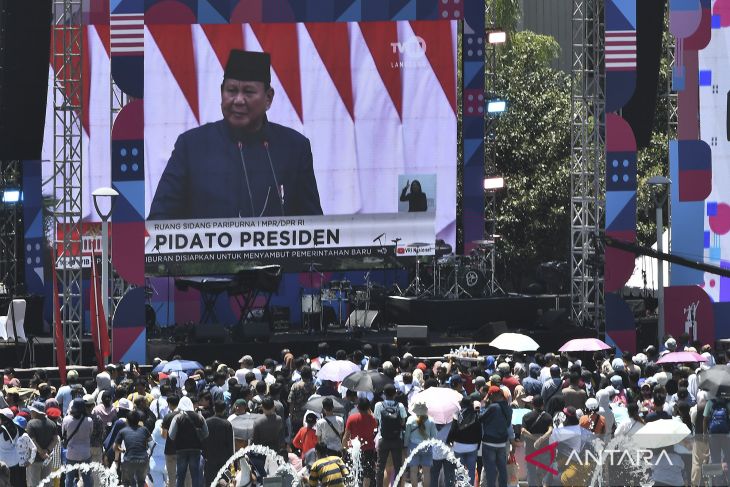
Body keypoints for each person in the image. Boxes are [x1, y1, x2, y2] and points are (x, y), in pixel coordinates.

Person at [149, 49, 322, 220]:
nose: (238, 100)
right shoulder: (191, 145)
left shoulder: (294, 148)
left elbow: (315, 228)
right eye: (231, 90)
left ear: (268, 98)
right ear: (221, 93)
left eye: (248, 92)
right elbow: (159, 220)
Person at [169, 397, 209, 487]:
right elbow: (206, 434)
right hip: (196, 449)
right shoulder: (199, 417)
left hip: (180, 449)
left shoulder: (177, 417)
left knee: (180, 476)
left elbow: (171, 435)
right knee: (195, 475)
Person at [373, 384, 407, 487]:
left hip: (383, 438)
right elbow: (403, 423)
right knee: (398, 466)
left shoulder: (379, 405)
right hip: (397, 439)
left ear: (384, 394)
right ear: (395, 393)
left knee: (380, 466)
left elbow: (376, 421)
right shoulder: (400, 406)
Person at [479, 386, 512, 487]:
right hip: (502, 443)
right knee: (502, 469)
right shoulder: (508, 408)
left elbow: (480, 418)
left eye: (489, 395)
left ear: (493, 395)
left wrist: (483, 405)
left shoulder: (493, 407)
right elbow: (507, 424)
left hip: (489, 443)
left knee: (490, 470)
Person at [342, 399, 377, 487]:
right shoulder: (372, 419)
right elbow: (375, 427)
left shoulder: (352, 418)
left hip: (354, 449)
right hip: (369, 449)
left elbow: (346, 436)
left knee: (353, 471)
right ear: (369, 407)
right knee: (367, 474)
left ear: (357, 407)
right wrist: (370, 412)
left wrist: (344, 449)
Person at [520, 396, 552, 487]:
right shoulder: (548, 417)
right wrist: (541, 439)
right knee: (544, 472)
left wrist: (533, 438)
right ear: (543, 404)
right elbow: (550, 431)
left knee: (531, 471)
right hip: (544, 448)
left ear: (532, 404)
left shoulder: (526, 417)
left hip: (530, 449)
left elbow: (523, 431)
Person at [62, 398, 94, 487]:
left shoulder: (66, 420)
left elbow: (63, 434)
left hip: (71, 453)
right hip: (85, 454)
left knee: (69, 478)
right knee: (87, 478)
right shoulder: (89, 420)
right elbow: (90, 434)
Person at [114, 410, 151, 487]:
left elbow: (115, 447)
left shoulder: (122, 431)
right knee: (141, 482)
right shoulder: (144, 429)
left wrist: (123, 451)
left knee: (127, 482)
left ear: (127, 420)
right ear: (138, 420)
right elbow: (151, 442)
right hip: (143, 460)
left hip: (129, 460)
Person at [25, 402, 58, 486]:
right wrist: (46, 451)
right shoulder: (52, 424)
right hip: (47, 459)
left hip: (34, 460)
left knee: (34, 484)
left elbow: (32, 441)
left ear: (36, 412)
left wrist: (41, 452)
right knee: (47, 484)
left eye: (32, 410)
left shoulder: (31, 424)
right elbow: (55, 440)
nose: (30, 412)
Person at [203, 401, 234, 486]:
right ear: (224, 410)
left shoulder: (207, 422)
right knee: (224, 481)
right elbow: (230, 444)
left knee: (210, 482)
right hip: (223, 458)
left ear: (214, 408)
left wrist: (205, 455)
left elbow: (203, 441)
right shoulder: (227, 424)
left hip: (210, 457)